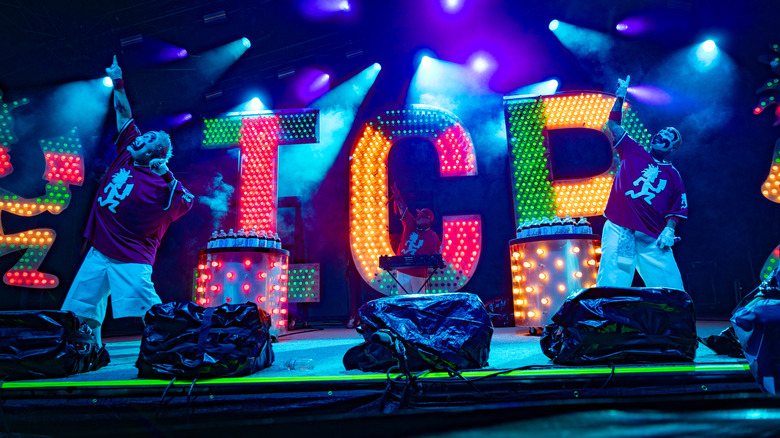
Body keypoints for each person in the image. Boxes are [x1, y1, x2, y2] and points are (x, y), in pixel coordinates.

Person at [61, 56, 194, 344]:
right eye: (143, 136)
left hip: (131, 257)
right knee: (80, 309)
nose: (139, 140)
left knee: (151, 312)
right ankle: (90, 353)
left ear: (155, 154)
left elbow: (186, 202)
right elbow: (123, 113)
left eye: (147, 142)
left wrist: (167, 175)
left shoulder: (162, 181)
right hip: (99, 249)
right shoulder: (126, 153)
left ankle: (174, 348)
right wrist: (118, 80)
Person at [596, 75, 687, 290]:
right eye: (660, 132)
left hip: (653, 239)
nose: (660, 136)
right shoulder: (633, 150)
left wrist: (669, 231)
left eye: (667, 137)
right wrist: (620, 97)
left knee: (671, 289)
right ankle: (608, 322)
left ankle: (672, 324)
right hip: (620, 230)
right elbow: (613, 124)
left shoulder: (673, 174)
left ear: (672, 148)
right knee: (612, 285)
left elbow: (677, 209)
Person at [389, 182, 441, 294]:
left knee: (419, 302)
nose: (417, 216)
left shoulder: (432, 235)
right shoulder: (410, 224)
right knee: (403, 302)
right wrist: (397, 195)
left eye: (421, 216)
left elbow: (433, 256)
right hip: (402, 270)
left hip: (418, 273)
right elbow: (403, 209)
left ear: (427, 221)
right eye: (418, 214)